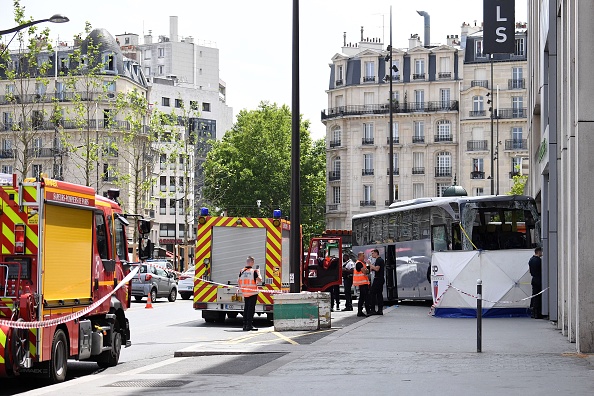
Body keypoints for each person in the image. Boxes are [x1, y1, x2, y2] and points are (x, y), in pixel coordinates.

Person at [238, 256, 262, 331]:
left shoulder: (242, 271)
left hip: (245, 293)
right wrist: (259, 273)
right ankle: (249, 325)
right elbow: (259, 280)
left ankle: (245, 325)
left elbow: (238, 281)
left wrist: (241, 288)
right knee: (251, 309)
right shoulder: (253, 271)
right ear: (251, 262)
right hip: (252, 293)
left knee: (246, 308)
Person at [353, 252, 371, 317]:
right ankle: (368, 311)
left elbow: (367, 271)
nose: (364, 257)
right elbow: (365, 271)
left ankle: (360, 311)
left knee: (362, 297)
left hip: (363, 283)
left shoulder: (362, 263)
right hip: (362, 283)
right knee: (365, 297)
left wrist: (366, 270)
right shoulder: (359, 263)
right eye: (363, 256)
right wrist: (366, 270)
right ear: (359, 256)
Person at [368, 249, 385, 315]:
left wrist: (370, 264)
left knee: (372, 293)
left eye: (372, 253)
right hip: (380, 279)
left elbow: (377, 269)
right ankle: (380, 310)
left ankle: (373, 310)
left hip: (378, 279)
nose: (371, 255)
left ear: (376, 253)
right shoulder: (380, 260)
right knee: (379, 294)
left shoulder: (378, 260)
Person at [528, 247, 543, 319]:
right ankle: (538, 313)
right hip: (539, 279)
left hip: (534, 279)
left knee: (534, 295)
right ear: (538, 252)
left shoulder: (531, 260)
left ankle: (533, 312)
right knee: (538, 296)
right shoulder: (538, 261)